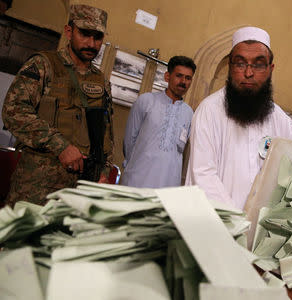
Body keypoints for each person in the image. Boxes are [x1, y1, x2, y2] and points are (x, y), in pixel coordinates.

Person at [2, 4, 113, 206]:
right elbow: (14, 111)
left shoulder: (101, 81)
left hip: (77, 193)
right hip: (37, 186)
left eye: (97, 37)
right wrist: (60, 146)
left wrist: (103, 173)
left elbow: (106, 134)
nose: (91, 43)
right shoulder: (43, 65)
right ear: (69, 31)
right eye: (85, 34)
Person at [186, 26, 292, 210]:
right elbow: (203, 175)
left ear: (270, 69)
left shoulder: (276, 116)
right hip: (219, 224)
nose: (248, 73)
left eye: (258, 64)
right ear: (230, 67)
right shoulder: (209, 111)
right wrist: (238, 221)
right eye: (240, 63)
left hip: (260, 229)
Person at [121, 56, 196, 188]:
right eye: (179, 76)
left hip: (169, 185)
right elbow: (129, 142)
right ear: (167, 76)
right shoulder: (146, 101)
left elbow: (180, 151)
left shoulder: (190, 113)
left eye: (188, 78)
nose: (183, 82)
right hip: (138, 180)